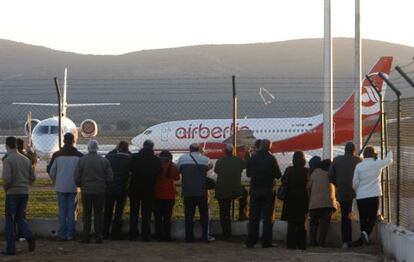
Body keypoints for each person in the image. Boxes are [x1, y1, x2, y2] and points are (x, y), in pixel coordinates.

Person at [2, 136, 36, 255]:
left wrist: (6, 188)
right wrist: (26, 185)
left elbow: (7, 178)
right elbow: (33, 177)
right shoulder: (26, 159)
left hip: (12, 193)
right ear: (16, 145)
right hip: (24, 192)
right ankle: (29, 236)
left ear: (7, 146)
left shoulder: (8, 159)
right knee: (20, 217)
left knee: (10, 220)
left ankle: (10, 249)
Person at [74, 140, 113, 243]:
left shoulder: (82, 160)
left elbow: (77, 176)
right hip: (100, 190)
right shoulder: (104, 161)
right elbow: (110, 177)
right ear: (97, 148)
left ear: (88, 148)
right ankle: (98, 236)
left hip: (86, 190)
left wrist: (79, 184)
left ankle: (86, 236)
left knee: (87, 213)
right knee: (99, 214)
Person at [352, 146, 393, 246]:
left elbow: (355, 183)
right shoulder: (377, 163)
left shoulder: (359, 166)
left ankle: (363, 236)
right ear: (374, 154)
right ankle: (365, 234)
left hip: (361, 196)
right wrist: (390, 151)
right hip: (374, 195)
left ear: (364, 155)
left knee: (363, 217)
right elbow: (388, 161)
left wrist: (359, 191)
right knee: (372, 217)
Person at [245, 139, 281, 248]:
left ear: (260, 146)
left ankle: (251, 241)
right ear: (269, 147)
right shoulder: (271, 158)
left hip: (255, 189)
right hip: (268, 190)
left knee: (253, 216)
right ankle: (266, 242)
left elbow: (248, 174)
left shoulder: (253, 158)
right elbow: (278, 175)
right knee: (268, 217)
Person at [48, 133, 83, 241]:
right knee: (72, 212)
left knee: (62, 211)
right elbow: (81, 171)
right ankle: (70, 234)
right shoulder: (79, 155)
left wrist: (56, 181)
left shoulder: (57, 155)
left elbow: (51, 171)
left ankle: (62, 234)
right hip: (73, 187)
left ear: (63, 140)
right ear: (73, 141)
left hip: (60, 186)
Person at [177, 143, 213, 242]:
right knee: (204, 215)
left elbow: (178, 170)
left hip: (188, 191)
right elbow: (210, 167)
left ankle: (189, 237)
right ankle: (205, 236)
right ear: (199, 149)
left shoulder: (182, 159)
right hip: (201, 191)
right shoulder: (205, 159)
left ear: (190, 149)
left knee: (189, 215)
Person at [328, 142, 362, 248]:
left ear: (345, 150)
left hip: (342, 192)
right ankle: (359, 240)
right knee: (360, 216)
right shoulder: (359, 161)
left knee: (345, 216)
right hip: (357, 192)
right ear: (354, 150)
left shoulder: (337, 160)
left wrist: (337, 185)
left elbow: (330, 175)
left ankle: (346, 241)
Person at [129, 140, 162, 241]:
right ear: (152, 147)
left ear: (143, 146)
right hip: (148, 188)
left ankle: (133, 234)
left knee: (134, 212)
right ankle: (145, 235)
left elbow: (129, 169)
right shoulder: (156, 160)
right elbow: (159, 172)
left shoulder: (134, 157)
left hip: (135, 187)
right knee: (146, 213)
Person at [214, 144, 246, 240]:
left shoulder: (219, 161)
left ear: (224, 152)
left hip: (222, 190)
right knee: (244, 193)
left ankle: (226, 234)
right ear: (233, 151)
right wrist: (248, 153)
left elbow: (216, 171)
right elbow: (246, 164)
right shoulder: (238, 161)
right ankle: (242, 214)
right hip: (235, 190)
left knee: (224, 213)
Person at [281, 151, 309, 250]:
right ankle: (302, 244)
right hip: (303, 198)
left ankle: (291, 244)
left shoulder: (289, 170)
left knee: (291, 223)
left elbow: (283, 181)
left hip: (290, 198)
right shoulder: (307, 171)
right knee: (302, 222)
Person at [104, 141, 131, 240]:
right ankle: (116, 233)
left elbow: (108, 156)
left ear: (118, 148)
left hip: (110, 188)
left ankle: (105, 232)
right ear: (127, 149)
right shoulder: (129, 159)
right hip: (122, 188)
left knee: (108, 211)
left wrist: (115, 149)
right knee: (119, 212)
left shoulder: (110, 157)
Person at [308, 159, 337, 247]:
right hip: (328, 204)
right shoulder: (331, 175)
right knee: (325, 224)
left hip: (314, 204)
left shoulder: (315, 173)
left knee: (313, 223)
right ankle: (322, 242)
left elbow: (308, 186)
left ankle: (313, 242)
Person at [153, 150, 180, 241]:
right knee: (167, 217)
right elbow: (177, 178)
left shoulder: (155, 165)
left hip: (157, 194)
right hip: (169, 195)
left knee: (157, 217)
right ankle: (167, 236)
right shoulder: (172, 166)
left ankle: (158, 235)